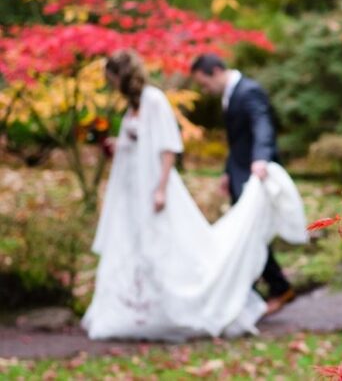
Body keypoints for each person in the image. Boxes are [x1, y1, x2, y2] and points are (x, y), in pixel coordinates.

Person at [82, 50, 307, 341]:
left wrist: (260, 159)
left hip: (158, 186)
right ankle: (141, 309)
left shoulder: (158, 99)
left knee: (179, 245)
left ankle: (264, 289)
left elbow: (169, 146)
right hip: (134, 189)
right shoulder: (133, 106)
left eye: (111, 79)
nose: (202, 89)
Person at [190, 53, 296, 315]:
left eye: (204, 83)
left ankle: (277, 287)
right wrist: (228, 172)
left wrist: (261, 159)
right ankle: (263, 289)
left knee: (252, 232)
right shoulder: (230, 94)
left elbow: (262, 126)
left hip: (254, 174)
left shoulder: (249, 91)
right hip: (239, 173)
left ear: (215, 71)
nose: (206, 90)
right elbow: (237, 140)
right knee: (248, 232)